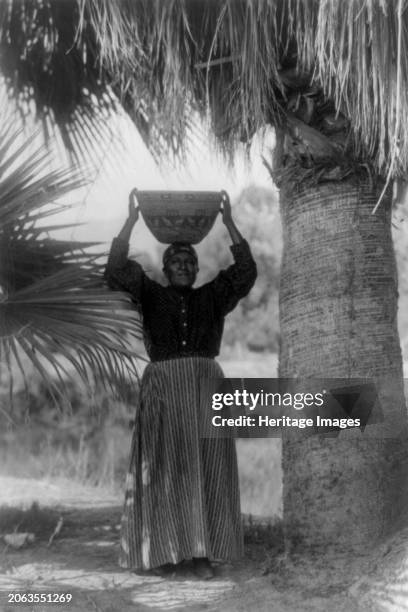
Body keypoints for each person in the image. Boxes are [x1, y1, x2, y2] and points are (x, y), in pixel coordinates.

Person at [104, 189, 257, 579]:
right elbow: (114, 270)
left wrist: (228, 222)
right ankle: (166, 553)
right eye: (177, 261)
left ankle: (204, 554)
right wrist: (130, 221)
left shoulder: (213, 296)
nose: (184, 266)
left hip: (206, 387)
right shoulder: (148, 293)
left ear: (197, 268)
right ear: (165, 267)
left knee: (206, 468)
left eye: (190, 261)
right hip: (164, 389)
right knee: (167, 468)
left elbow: (246, 274)